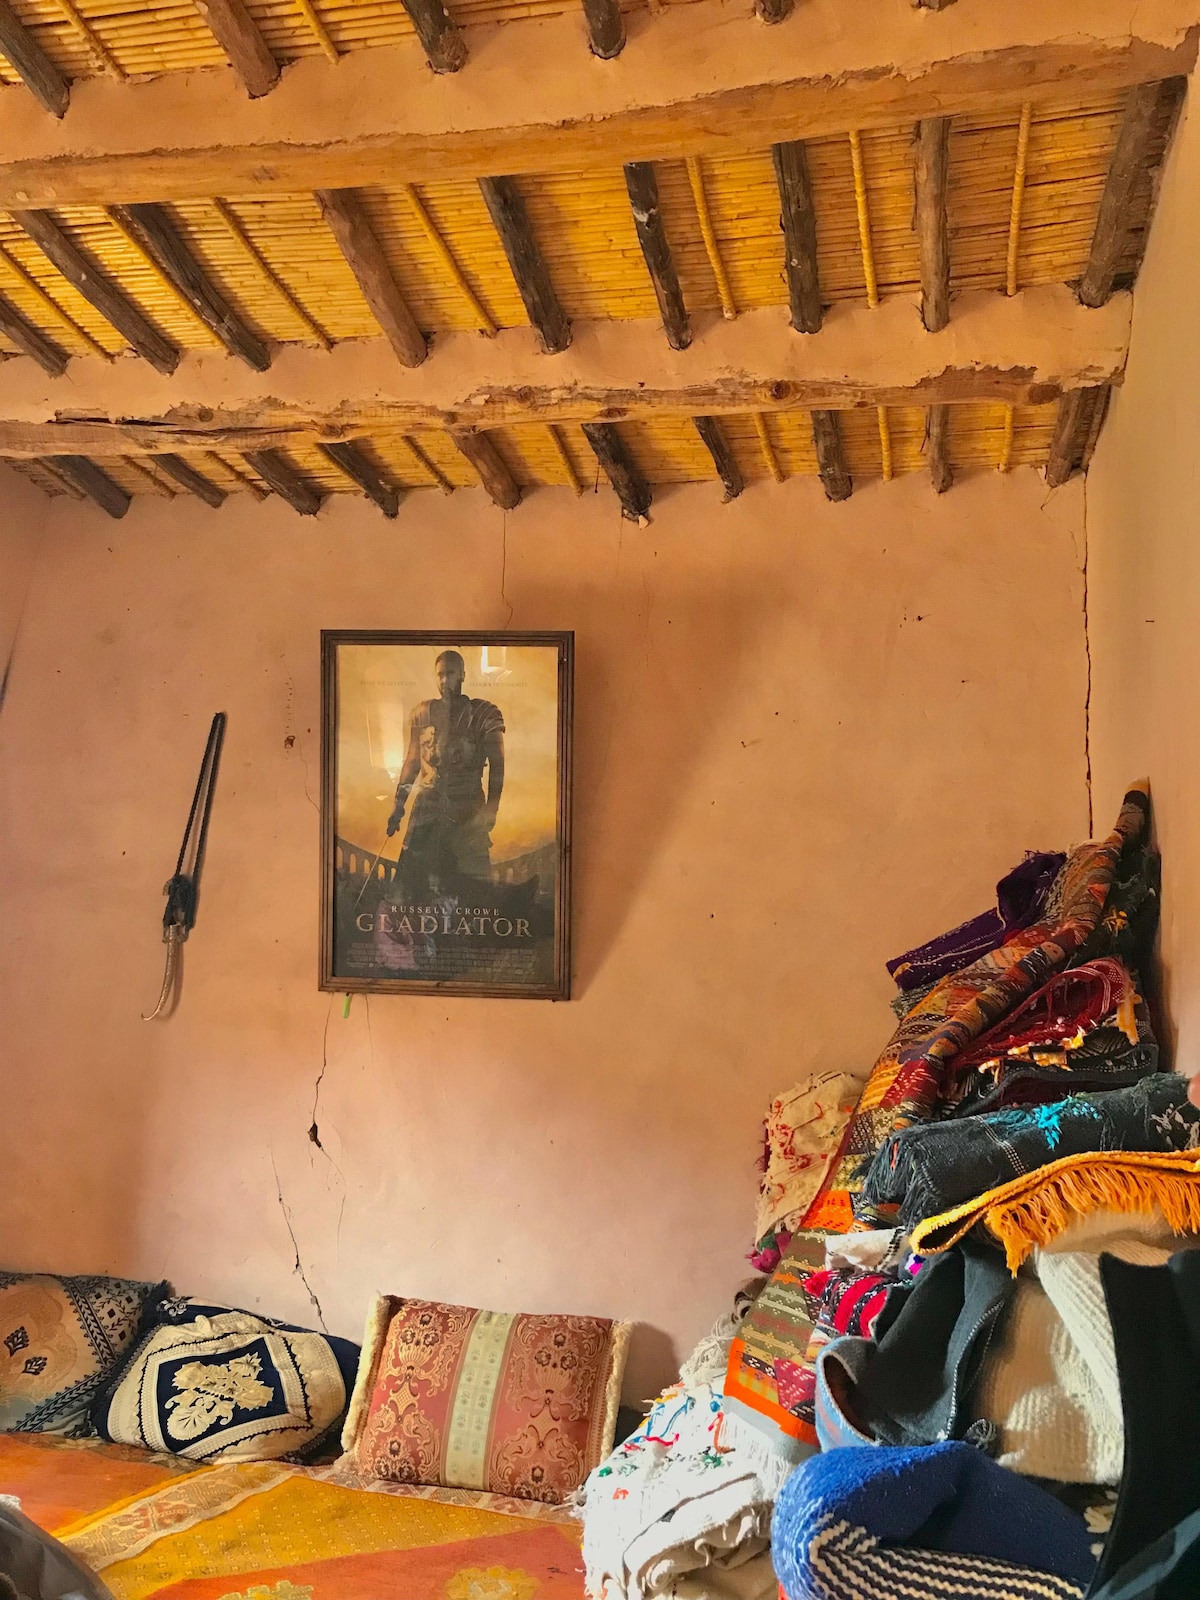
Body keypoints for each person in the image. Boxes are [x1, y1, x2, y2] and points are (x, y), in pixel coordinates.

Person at [386, 649, 505, 887]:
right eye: (440, 675)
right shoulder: (421, 714)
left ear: (462, 675)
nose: (444, 680)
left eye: (450, 674)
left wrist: (492, 808)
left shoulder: (483, 714)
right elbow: (412, 762)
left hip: (467, 809)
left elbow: (498, 764)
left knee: (471, 886)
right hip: (426, 809)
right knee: (413, 885)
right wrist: (398, 806)